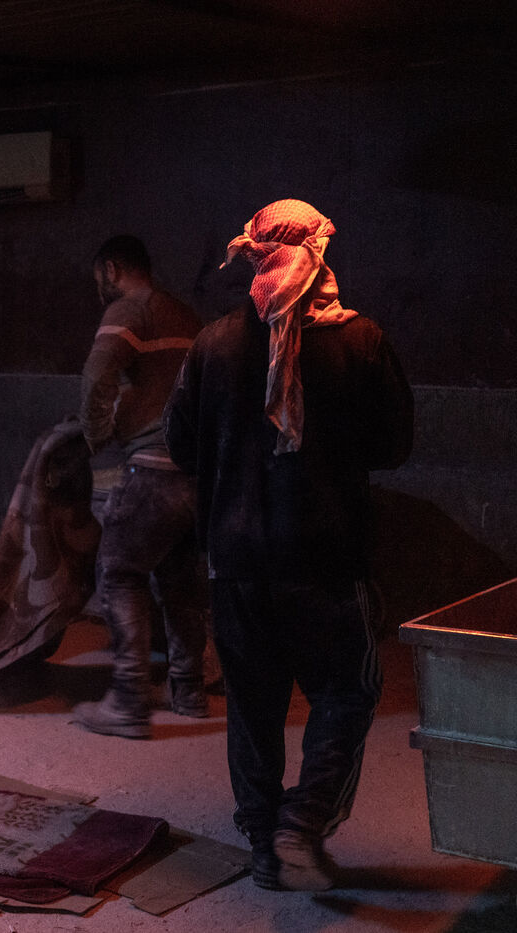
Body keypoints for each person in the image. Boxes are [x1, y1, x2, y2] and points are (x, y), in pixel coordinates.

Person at [164, 199, 413, 892]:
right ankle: (300, 823)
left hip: (235, 561)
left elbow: (180, 444)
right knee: (349, 689)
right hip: (326, 560)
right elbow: (394, 445)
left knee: (252, 704)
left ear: (254, 255)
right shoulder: (360, 340)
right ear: (318, 253)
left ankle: (264, 843)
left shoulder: (212, 344)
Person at [70, 235, 209, 740]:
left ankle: (128, 701)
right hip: (197, 478)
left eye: (99, 278)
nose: (99, 288)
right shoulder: (188, 317)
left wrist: (95, 434)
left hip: (151, 471)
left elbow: (97, 375)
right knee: (181, 585)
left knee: (119, 573)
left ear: (111, 269)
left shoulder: (130, 310)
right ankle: (188, 690)